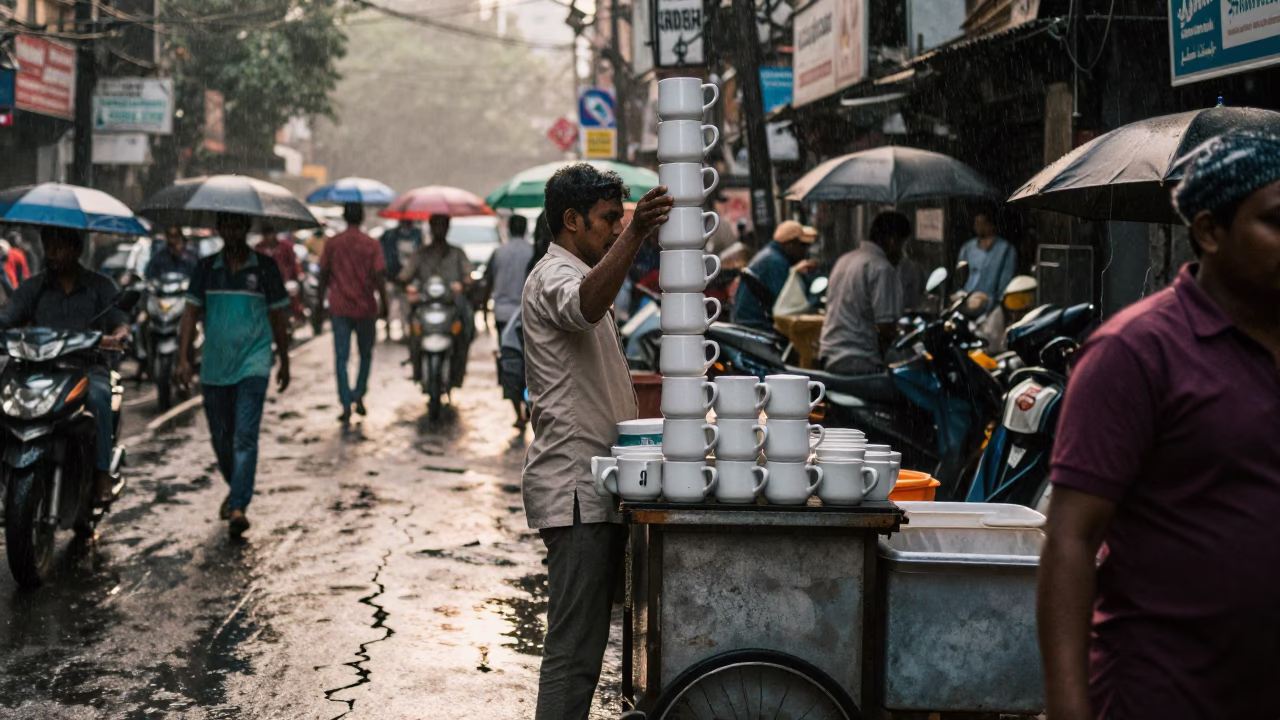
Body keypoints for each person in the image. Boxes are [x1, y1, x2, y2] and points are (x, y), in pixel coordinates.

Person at [1037, 133, 1280, 720]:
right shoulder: (1136, 352)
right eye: (1276, 221)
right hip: (1163, 691)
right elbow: (1071, 541)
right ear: (1209, 231)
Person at [522, 164, 672, 720]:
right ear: (570, 219)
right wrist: (635, 235)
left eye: (619, 220)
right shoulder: (553, 275)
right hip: (576, 491)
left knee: (589, 648)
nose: (615, 229)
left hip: (598, 487)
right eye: (608, 219)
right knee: (574, 654)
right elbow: (582, 306)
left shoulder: (582, 269)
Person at [176, 213, 291, 539]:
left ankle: (239, 505)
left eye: (238, 225)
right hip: (214, 366)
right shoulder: (206, 268)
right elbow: (190, 313)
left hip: (254, 364)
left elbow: (278, 316)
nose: (233, 231)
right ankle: (237, 487)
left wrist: (283, 359)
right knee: (221, 439)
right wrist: (183, 357)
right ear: (220, 229)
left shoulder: (266, 268)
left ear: (246, 227)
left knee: (244, 436)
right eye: (227, 225)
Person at [0, 226, 130, 504]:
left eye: (59, 245)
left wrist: (119, 334)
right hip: (38, 371)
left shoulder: (100, 286)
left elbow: (120, 321)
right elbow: (8, 318)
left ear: (76, 248)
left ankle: (101, 474)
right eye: (48, 244)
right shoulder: (34, 287)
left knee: (99, 397)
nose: (52, 252)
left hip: (86, 369)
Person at [319, 203, 388, 423]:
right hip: (366, 307)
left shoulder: (333, 243)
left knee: (342, 357)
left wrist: (320, 305)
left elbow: (323, 274)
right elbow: (379, 276)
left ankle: (346, 402)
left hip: (339, 307)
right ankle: (359, 394)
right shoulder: (371, 244)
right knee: (365, 354)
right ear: (363, 218)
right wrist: (384, 302)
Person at [818, 211, 908, 375]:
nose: (903, 254)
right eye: (903, 246)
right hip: (859, 360)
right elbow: (885, 327)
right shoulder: (881, 268)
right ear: (892, 241)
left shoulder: (844, 260)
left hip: (829, 355)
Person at [399, 214, 474, 389]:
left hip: (452, 304)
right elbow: (405, 275)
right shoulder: (420, 254)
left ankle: (459, 369)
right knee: (412, 329)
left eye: (443, 225)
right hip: (424, 304)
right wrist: (408, 286)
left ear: (448, 228)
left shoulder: (457, 253)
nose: (439, 229)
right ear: (430, 228)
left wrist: (464, 283)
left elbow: (468, 274)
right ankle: (415, 364)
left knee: (467, 327)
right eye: (436, 225)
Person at [731, 220, 818, 332]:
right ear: (790, 244)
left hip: (747, 322)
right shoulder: (776, 262)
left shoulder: (771, 254)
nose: (804, 251)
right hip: (755, 326)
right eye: (801, 246)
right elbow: (787, 304)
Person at [956, 211, 1016, 312]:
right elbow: (960, 276)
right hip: (966, 303)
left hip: (991, 308)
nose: (979, 226)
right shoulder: (968, 248)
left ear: (992, 225)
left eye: (983, 223)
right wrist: (961, 294)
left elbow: (1005, 283)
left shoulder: (1005, 250)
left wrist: (990, 299)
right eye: (977, 223)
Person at [379, 220, 422, 340]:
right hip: (392, 277)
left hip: (406, 279)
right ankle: (389, 331)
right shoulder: (390, 235)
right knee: (391, 305)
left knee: (404, 307)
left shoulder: (416, 234)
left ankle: (405, 332)